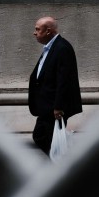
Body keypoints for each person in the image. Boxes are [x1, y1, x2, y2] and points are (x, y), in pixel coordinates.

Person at [28, 16, 83, 155]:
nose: (34, 33)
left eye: (37, 29)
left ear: (48, 31)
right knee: (44, 137)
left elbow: (64, 80)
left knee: (43, 137)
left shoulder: (62, 48)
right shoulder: (52, 47)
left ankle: (56, 168)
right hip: (47, 106)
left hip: (54, 108)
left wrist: (59, 107)